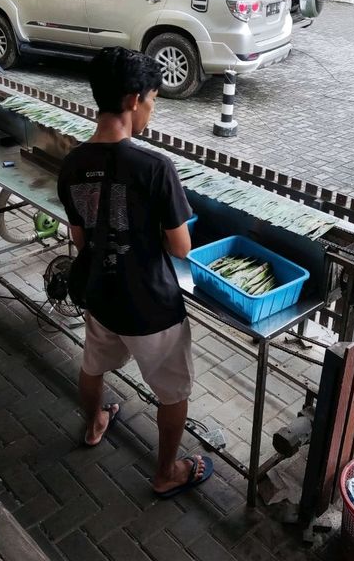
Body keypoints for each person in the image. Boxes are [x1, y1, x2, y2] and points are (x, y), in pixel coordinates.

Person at [57, 46, 213, 498]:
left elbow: (82, 239)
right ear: (132, 99)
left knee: (93, 366)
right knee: (172, 391)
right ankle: (166, 473)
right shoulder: (155, 167)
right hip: (150, 305)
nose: (150, 111)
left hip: (100, 293)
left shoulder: (73, 163)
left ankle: (93, 425)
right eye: (152, 101)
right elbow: (181, 247)